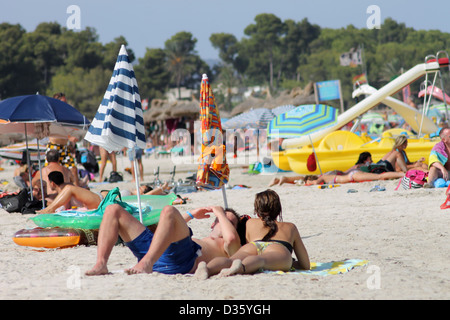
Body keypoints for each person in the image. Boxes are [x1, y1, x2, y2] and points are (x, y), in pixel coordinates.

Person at [85, 204, 242, 276]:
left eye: (230, 222)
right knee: (113, 209)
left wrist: (221, 213)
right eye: (219, 220)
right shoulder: (204, 238)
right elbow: (169, 227)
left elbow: (232, 238)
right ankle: (101, 263)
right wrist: (192, 214)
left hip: (179, 260)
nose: (222, 223)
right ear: (212, 223)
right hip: (157, 250)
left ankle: (147, 263)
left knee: (169, 210)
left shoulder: (228, 246)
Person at [194, 189, 310, 279]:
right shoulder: (291, 227)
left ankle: (207, 268)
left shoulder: (250, 223)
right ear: (279, 210)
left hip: (253, 246)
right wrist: (288, 262)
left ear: (256, 210)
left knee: (231, 261)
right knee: (261, 260)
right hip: (277, 248)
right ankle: (242, 268)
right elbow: (305, 264)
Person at [268, 152, 373, 187]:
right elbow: (348, 172)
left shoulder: (357, 165)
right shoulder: (359, 166)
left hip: (336, 173)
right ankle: (285, 178)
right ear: (365, 159)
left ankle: (278, 180)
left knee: (308, 178)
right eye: (370, 159)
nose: (371, 161)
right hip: (338, 174)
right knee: (311, 179)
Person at [37, 171, 102, 213]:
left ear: (52, 183)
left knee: (69, 188)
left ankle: (49, 209)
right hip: (96, 200)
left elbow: (65, 206)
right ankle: (49, 209)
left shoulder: (67, 189)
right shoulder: (68, 187)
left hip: (98, 201)